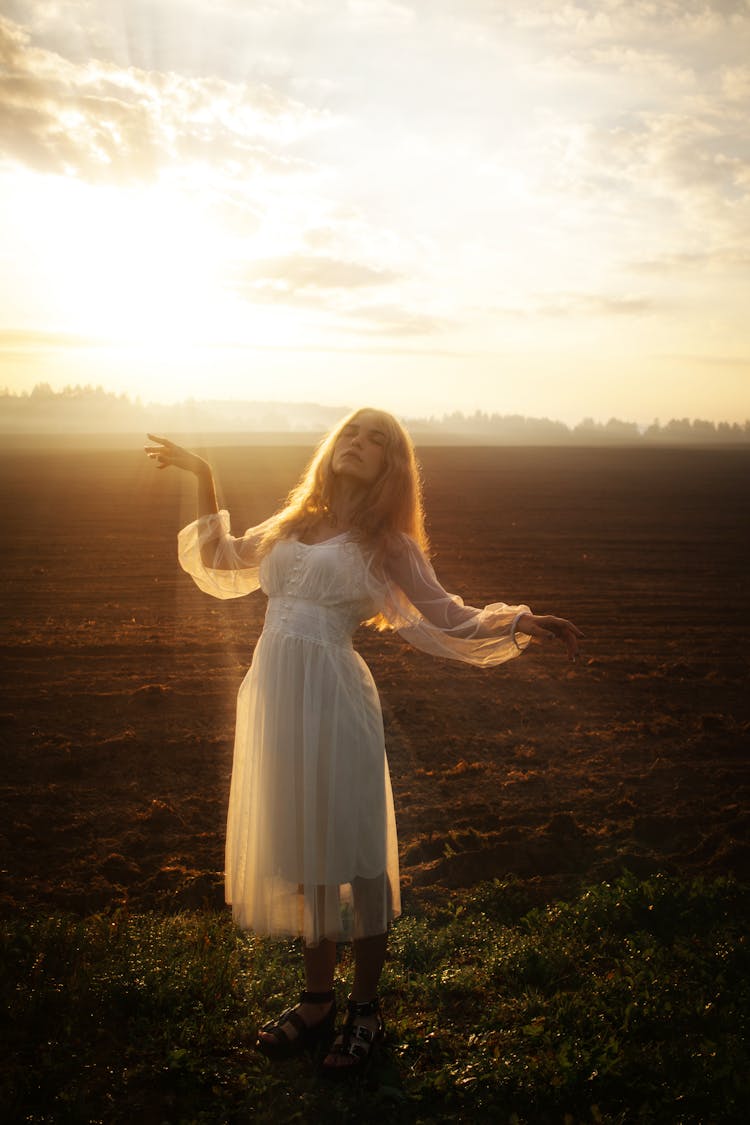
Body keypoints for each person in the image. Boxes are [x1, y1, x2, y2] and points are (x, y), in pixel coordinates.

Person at [145, 408, 582, 1076]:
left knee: (355, 852)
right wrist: (204, 475)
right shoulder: (293, 523)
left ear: (391, 467)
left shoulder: (388, 543)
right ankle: (317, 999)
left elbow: (449, 614)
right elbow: (220, 559)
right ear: (332, 447)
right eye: (352, 432)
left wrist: (519, 618)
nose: (359, 442)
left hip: (339, 697)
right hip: (277, 698)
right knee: (308, 852)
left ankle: (366, 1010)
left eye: (377, 440)